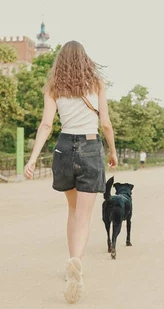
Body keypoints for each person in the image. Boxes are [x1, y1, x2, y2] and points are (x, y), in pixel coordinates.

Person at [23, 41, 117, 304]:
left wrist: (32, 159)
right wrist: (112, 151)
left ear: (60, 61)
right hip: (89, 146)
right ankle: (76, 262)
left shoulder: (54, 86)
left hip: (64, 148)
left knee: (72, 212)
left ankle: (71, 267)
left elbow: (46, 124)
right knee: (84, 217)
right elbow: (106, 124)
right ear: (85, 59)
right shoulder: (96, 84)